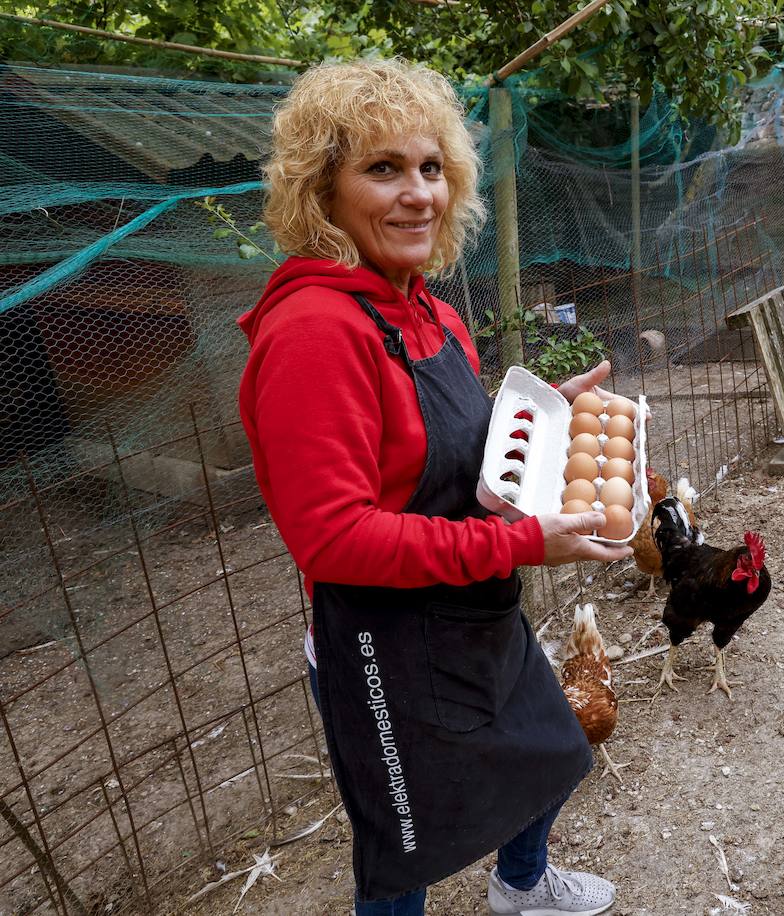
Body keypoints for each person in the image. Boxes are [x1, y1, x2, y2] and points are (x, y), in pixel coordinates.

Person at [238, 58, 630, 916]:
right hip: (383, 641)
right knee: (403, 852)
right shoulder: (315, 332)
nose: (419, 194)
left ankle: (520, 885)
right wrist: (526, 539)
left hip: (470, 606)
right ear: (322, 191)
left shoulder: (425, 306)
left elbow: (439, 452)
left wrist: (540, 426)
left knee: (554, 750)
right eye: (382, 169)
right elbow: (335, 539)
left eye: (430, 168)